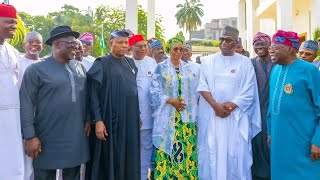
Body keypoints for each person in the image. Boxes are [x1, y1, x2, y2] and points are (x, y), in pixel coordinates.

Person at [20, 26, 90, 180]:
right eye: (70, 44)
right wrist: (30, 136)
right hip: (46, 136)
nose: (75, 47)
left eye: (76, 44)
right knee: (45, 175)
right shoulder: (36, 69)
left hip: (75, 135)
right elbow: (26, 103)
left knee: (73, 174)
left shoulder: (80, 68)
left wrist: (88, 120)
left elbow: (87, 97)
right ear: (57, 45)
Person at [197, 26, 261, 180]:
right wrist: (216, 106)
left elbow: (249, 89)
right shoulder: (207, 61)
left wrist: (232, 105)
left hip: (236, 117)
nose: (223, 43)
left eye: (228, 40)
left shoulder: (245, 63)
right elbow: (202, 85)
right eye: (222, 39)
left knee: (236, 153)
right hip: (213, 117)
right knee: (213, 150)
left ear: (235, 42)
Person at [87, 29, 140, 180]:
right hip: (109, 120)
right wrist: (97, 120)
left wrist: (138, 114)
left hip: (129, 119)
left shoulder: (130, 62)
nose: (124, 46)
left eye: (126, 43)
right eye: (120, 43)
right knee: (109, 156)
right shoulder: (101, 63)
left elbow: (133, 90)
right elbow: (93, 95)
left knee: (128, 154)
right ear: (111, 43)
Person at [267, 30, 320, 179]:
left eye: (276, 46)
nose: (271, 49)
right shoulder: (276, 70)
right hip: (279, 141)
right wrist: (270, 132)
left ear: (290, 49)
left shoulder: (309, 71)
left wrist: (318, 141)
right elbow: (272, 106)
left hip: (304, 141)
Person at [149, 35, 199, 179]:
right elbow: (153, 92)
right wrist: (171, 101)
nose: (178, 52)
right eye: (175, 49)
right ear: (168, 50)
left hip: (186, 121)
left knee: (186, 152)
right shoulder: (161, 68)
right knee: (168, 152)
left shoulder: (189, 69)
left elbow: (195, 91)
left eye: (181, 49)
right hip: (168, 119)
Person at [0, 3, 25, 180]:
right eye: (9, 22)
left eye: (15, 22)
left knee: (13, 162)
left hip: (14, 117)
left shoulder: (14, 52)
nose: (14, 26)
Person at [129, 34, 157, 180]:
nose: (143, 49)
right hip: (131, 116)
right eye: (139, 46)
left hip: (148, 116)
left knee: (146, 149)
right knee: (131, 150)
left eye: (145, 45)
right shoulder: (126, 63)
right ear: (131, 48)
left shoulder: (152, 63)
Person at [20, 31, 44, 180]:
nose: (34, 45)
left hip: (41, 117)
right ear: (24, 44)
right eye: (31, 42)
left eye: (38, 42)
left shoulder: (46, 64)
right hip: (20, 115)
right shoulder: (17, 62)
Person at [250, 32, 274, 180]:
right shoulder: (250, 63)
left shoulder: (277, 63)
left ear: (269, 44)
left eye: (262, 43)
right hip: (256, 112)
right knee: (257, 144)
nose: (259, 47)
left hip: (273, 112)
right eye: (256, 44)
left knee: (272, 145)